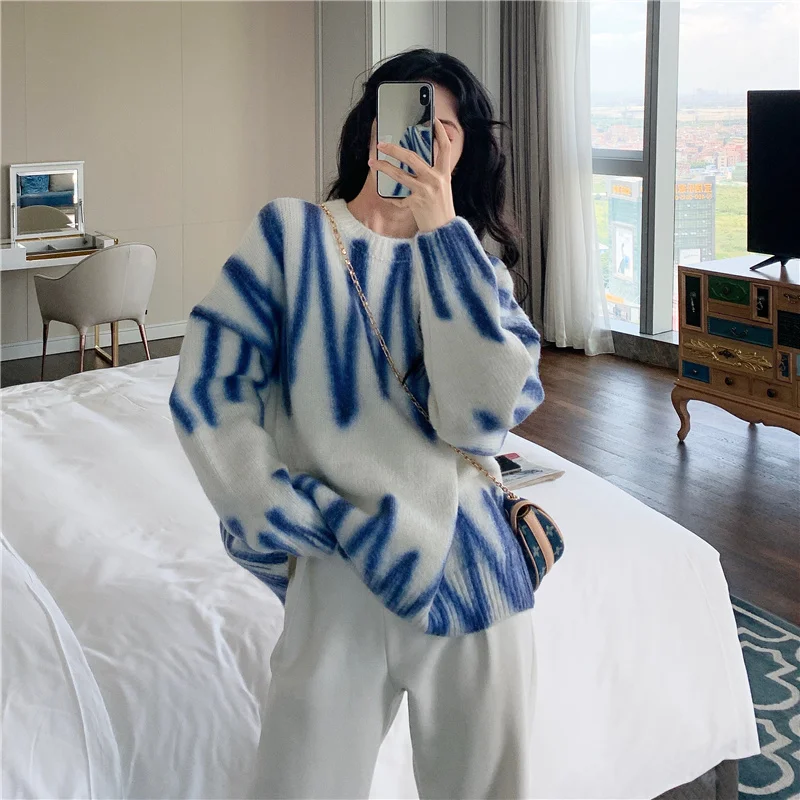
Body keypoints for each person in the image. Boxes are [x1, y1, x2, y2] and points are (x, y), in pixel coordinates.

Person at [169, 47, 545, 799]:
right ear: (371, 128)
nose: (422, 138)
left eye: (444, 129)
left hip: (475, 572)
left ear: (463, 149)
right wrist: (273, 510)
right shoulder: (292, 234)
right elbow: (210, 384)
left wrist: (443, 233)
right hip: (340, 564)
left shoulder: (474, 265)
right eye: (407, 117)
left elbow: (478, 421)